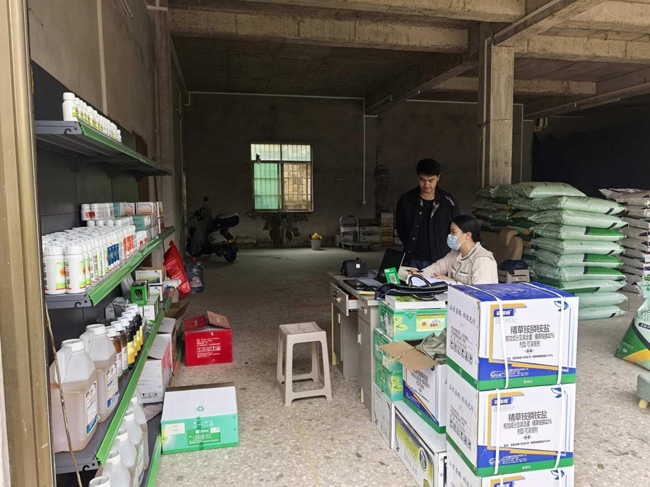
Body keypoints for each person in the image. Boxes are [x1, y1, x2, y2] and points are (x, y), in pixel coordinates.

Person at [396, 158, 459, 270]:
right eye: (422, 180)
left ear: (438, 177)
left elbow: (456, 228)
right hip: (412, 258)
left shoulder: (448, 202)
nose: (426, 184)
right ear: (418, 177)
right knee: (411, 282)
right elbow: (401, 229)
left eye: (431, 180)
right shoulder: (406, 200)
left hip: (440, 259)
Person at [407, 215, 498, 285]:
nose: (450, 235)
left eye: (453, 232)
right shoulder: (455, 253)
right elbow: (437, 267)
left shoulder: (483, 259)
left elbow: (480, 292)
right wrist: (421, 274)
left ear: (468, 235)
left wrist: (453, 283)